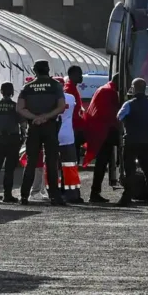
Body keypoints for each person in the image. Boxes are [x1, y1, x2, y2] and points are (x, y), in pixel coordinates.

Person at [17, 60, 67, 206]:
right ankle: (54, 197)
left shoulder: (28, 87)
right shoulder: (55, 85)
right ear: (48, 70)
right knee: (51, 161)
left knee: (31, 161)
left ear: (34, 71)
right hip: (50, 126)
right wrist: (46, 117)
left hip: (34, 127)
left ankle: (24, 196)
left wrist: (35, 118)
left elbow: (20, 108)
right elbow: (61, 106)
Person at [116, 78, 148, 207]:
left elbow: (119, 117)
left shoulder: (128, 104)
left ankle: (127, 197)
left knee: (130, 170)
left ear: (133, 88)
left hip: (131, 140)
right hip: (147, 141)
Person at [83, 73, 121, 204]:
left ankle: (95, 192)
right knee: (102, 162)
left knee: (102, 162)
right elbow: (112, 114)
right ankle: (95, 192)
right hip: (105, 132)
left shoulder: (104, 89)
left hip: (101, 131)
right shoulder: (109, 91)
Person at [0, 82, 24, 203]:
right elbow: (22, 124)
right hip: (13, 139)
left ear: (1, 92)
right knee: (9, 169)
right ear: (12, 92)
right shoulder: (15, 106)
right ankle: (7, 195)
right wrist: (23, 136)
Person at [55, 77, 83, 204]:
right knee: (70, 166)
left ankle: (54, 193)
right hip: (68, 135)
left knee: (53, 166)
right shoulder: (71, 98)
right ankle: (72, 194)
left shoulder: (49, 99)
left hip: (53, 135)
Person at [64, 66, 86, 162]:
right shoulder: (69, 90)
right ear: (71, 75)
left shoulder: (73, 88)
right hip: (72, 126)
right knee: (72, 154)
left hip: (75, 126)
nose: (81, 77)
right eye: (79, 74)